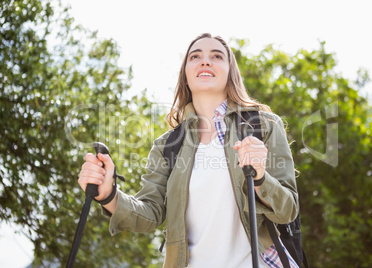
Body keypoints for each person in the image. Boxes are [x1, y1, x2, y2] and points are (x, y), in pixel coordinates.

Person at [78, 33, 299, 268]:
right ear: (185, 73)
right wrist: (108, 195)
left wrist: (260, 177)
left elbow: (287, 212)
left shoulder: (263, 126)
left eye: (217, 56)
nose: (206, 61)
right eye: (195, 56)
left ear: (230, 72)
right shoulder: (167, 146)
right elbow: (150, 214)